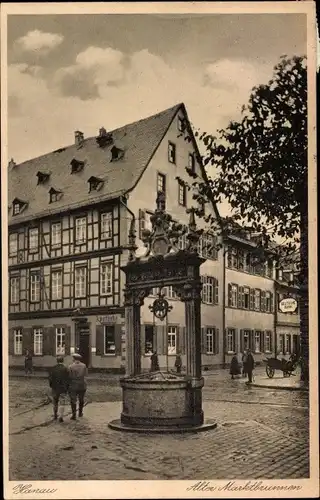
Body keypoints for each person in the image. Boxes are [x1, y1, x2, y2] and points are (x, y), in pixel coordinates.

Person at [49, 356, 70, 422]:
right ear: (63, 361)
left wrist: (51, 386)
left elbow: (50, 379)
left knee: (55, 402)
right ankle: (61, 416)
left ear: (57, 361)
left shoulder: (53, 368)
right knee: (62, 402)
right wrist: (67, 387)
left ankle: (55, 415)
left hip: (55, 388)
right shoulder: (65, 368)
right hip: (63, 389)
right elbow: (68, 379)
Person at [68, 353, 87, 420]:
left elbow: (69, 376)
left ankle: (74, 415)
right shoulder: (84, 365)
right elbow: (85, 374)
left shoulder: (70, 366)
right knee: (81, 399)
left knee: (73, 400)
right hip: (82, 384)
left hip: (73, 385)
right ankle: (80, 413)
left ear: (74, 359)